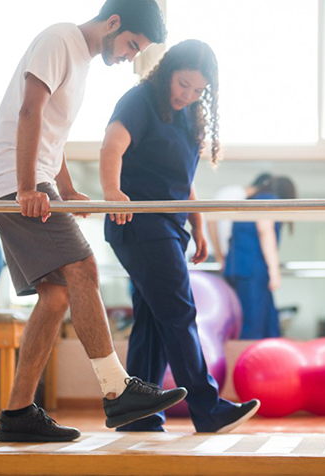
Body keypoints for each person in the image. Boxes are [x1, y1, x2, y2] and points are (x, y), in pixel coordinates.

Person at [0, 0, 187, 443]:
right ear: (112, 23)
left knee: (55, 297)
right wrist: (31, 187)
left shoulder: (81, 59)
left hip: (28, 178)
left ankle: (17, 414)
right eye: (132, 44)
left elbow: (52, 129)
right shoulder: (60, 40)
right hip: (12, 180)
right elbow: (29, 110)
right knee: (84, 268)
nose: (130, 57)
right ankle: (117, 390)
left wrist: (66, 188)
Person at [100, 39, 260, 433]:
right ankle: (208, 409)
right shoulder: (140, 101)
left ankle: (136, 414)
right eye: (183, 84)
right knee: (179, 312)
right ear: (168, 72)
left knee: (154, 320)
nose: (187, 95)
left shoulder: (188, 115)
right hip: (138, 224)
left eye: (197, 90)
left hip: (169, 228)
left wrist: (198, 223)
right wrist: (112, 193)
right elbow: (110, 148)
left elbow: (182, 181)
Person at [210, 174, 297, 339]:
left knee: (258, 321)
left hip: (237, 268)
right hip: (252, 269)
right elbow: (265, 231)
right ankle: (250, 363)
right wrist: (274, 270)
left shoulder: (248, 201)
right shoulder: (269, 199)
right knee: (253, 326)